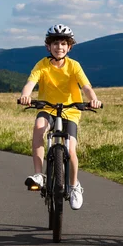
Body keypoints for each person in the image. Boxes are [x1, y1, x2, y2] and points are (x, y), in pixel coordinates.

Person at [18, 24, 101, 210]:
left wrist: (93, 100)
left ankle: (74, 186)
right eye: (55, 43)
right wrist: (26, 95)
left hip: (70, 111)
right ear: (48, 46)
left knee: (71, 149)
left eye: (63, 43)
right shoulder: (42, 64)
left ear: (69, 47)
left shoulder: (74, 66)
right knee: (39, 128)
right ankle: (39, 174)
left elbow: (86, 87)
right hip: (47, 108)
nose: (59, 47)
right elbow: (31, 82)